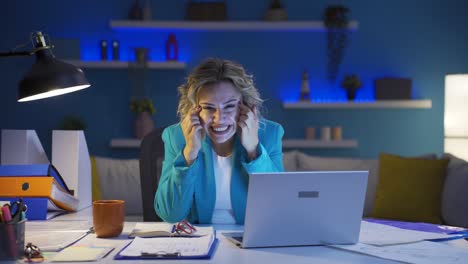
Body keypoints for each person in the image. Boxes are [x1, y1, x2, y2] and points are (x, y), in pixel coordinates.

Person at [155, 58, 284, 224]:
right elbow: (170, 214)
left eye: (229, 106)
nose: (219, 118)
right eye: (208, 107)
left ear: (245, 105)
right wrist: (189, 153)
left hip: (250, 239)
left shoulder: (270, 135)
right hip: (198, 241)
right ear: (193, 110)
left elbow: (279, 206)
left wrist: (253, 150)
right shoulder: (176, 136)